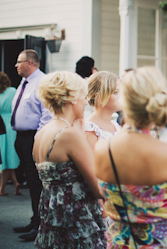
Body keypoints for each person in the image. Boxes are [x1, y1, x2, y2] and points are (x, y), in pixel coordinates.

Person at [94, 67, 167, 248]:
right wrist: (160, 201)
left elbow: (101, 192)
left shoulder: (103, 149)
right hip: (160, 241)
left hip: (121, 241)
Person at [33, 71, 106, 248]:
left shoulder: (42, 133)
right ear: (73, 98)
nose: (86, 101)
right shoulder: (69, 135)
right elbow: (98, 187)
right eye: (84, 96)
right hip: (76, 219)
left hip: (54, 217)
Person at [12, 49, 52, 242]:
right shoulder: (25, 82)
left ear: (30, 63)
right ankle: (34, 219)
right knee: (30, 181)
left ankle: (39, 225)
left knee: (37, 183)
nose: (16, 66)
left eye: (19, 62)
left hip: (33, 138)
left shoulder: (42, 82)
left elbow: (46, 114)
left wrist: (38, 140)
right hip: (21, 137)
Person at [85, 71, 121, 151]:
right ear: (98, 97)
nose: (121, 96)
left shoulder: (115, 125)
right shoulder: (90, 129)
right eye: (116, 92)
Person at [0, 72, 21, 196]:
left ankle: (1, 188)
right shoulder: (13, 91)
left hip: (1, 124)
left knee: (4, 155)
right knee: (9, 155)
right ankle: (15, 183)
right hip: (10, 124)